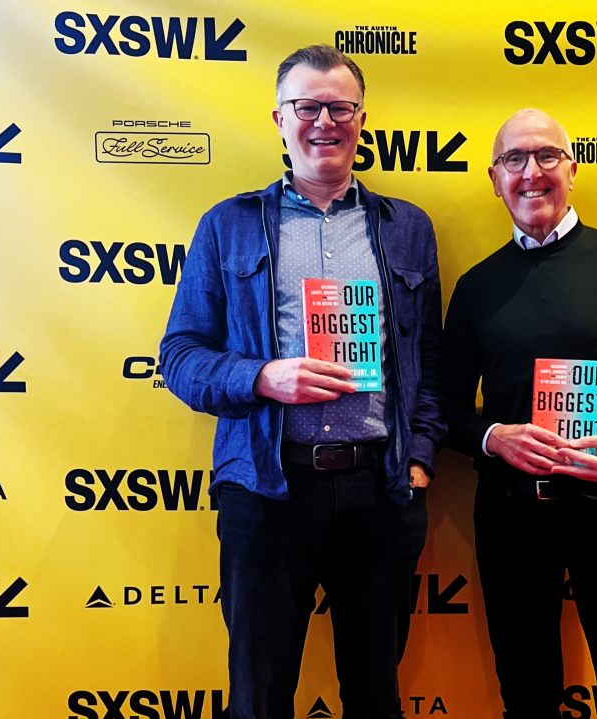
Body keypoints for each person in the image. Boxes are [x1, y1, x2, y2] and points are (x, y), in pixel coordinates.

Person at [159, 45, 444, 719]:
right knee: (259, 701)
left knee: (376, 697)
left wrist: (421, 455)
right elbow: (180, 355)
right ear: (280, 120)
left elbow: (429, 357)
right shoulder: (227, 224)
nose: (324, 120)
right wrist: (262, 375)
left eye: (339, 107)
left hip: (381, 489)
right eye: (307, 106)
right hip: (268, 488)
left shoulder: (406, 229)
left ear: (361, 118)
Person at [440, 109, 597, 719]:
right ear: (494, 178)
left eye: (546, 156)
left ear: (572, 170)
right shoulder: (476, 286)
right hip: (510, 515)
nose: (531, 173)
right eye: (514, 160)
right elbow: (443, 405)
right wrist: (494, 437)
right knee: (526, 693)